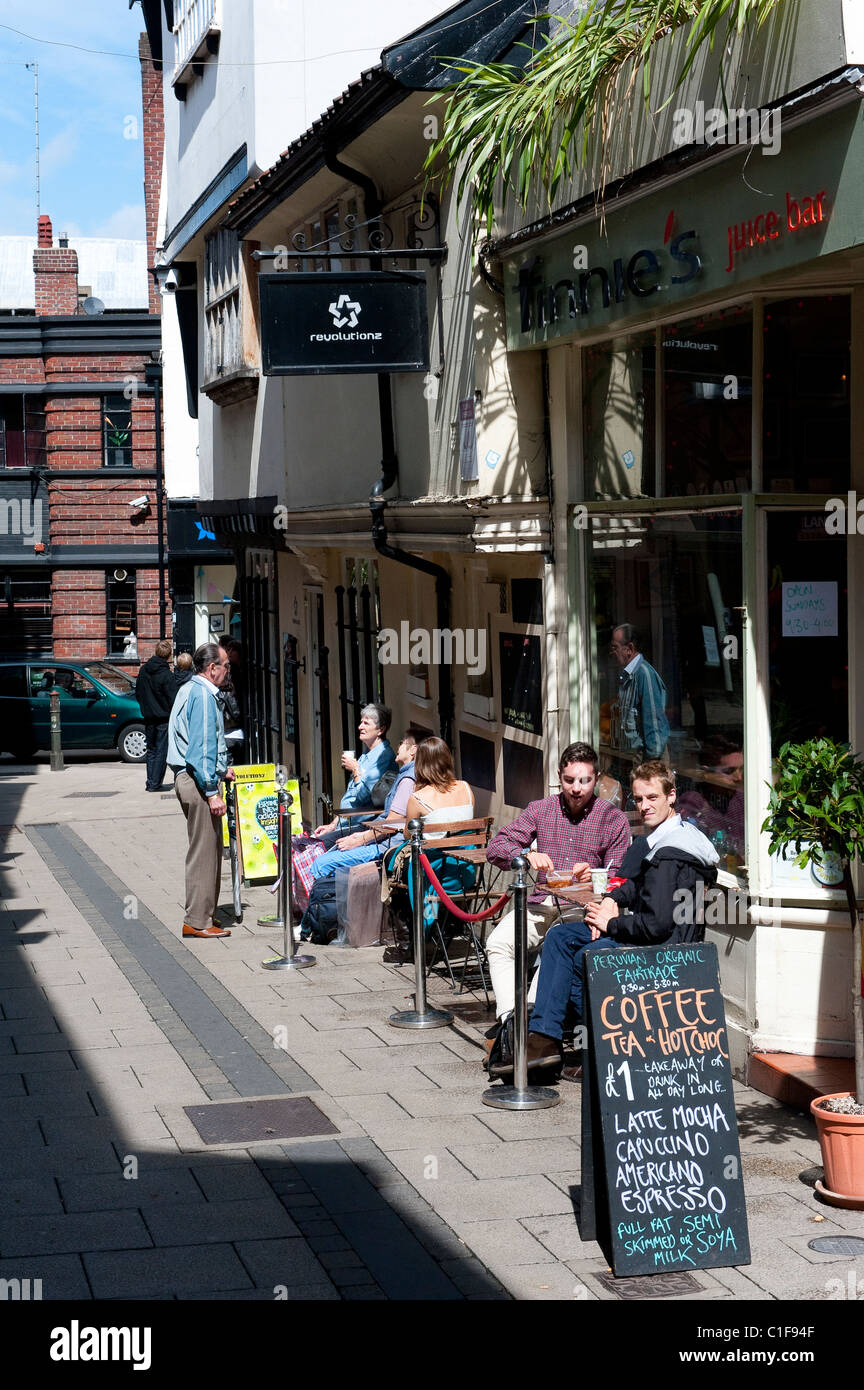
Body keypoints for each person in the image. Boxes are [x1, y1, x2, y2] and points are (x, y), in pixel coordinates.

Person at [522, 760, 720, 1078]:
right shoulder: (672, 835)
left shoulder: (669, 854)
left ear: (672, 796)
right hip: (649, 937)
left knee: (584, 958)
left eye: (652, 798)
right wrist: (612, 901)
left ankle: (602, 1054)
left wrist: (610, 924)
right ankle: (544, 1038)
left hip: (662, 952)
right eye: (639, 799)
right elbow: (636, 885)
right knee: (560, 937)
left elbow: (656, 926)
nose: (644, 806)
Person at [485, 742, 631, 1034]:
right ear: (559, 776)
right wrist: (525, 856)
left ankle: (532, 1025)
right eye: (569, 780)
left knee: (556, 950)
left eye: (585, 781)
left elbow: (620, 878)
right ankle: (510, 1021)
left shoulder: (612, 818)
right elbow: (496, 847)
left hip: (581, 908)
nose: (576, 788)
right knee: (498, 943)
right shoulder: (541, 809)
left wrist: (595, 874)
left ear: (596, 779)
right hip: (541, 901)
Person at [297, 733, 417, 944]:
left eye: (402, 743)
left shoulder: (408, 779)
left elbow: (393, 823)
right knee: (325, 849)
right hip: (379, 835)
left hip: (389, 846)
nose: (399, 746)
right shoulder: (403, 773)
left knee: (322, 863)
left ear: (413, 750)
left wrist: (361, 839)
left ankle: (312, 925)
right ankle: (316, 920)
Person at [167, 642, 234, 939]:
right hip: (196, 783)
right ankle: (198, 921)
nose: (228, 670)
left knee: (204, 851)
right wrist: (212, 791)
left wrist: (220, 770)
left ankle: (202, 916)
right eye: (225, 665)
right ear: (212, 669)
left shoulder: (190, 689)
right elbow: (200, 749)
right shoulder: (204, 697)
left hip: (189, 778)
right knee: (205, 854)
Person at [311, 703, 397, 844]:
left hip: (361, 827)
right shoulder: (366, 754)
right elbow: (350, 799)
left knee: (314, 847)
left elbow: (365, 797)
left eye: (366, 723)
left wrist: (356, 770)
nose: (360, 727)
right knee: (309, 844)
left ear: (380, 729)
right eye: (361, 722)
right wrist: (333, 825)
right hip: (347, 822)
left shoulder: (384, 757)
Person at [610, 623, 670, 761]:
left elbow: (654, 723)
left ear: (629, 649)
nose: (612, 652)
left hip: (650, 762)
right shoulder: (628, 676)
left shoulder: (644, 675)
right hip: (637, 758)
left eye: (615, 647)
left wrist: (650, 768)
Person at [135, 639, 176, 792]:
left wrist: (145, 707)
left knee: (151, 749)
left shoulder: (144, 670)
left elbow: (138, 692)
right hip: (163, 717)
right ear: (169, 655)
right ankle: (154, 783)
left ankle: (150, 781)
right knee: (161, 751)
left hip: (148, 716)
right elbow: (173, 698)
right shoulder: (167, 675)